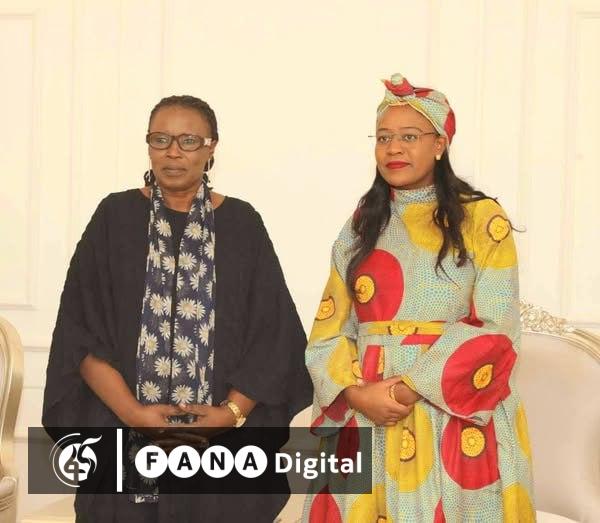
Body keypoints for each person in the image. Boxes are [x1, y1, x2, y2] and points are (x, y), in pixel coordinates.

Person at [42, 94, 312, 522]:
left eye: (188, 140)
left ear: (211, 147)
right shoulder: (114, 218)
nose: (172, 152)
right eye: (160, 139)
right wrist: (135, 415)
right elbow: (80, 332)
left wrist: (229, 415)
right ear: (148, 145)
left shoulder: (242, 224)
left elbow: (273, 334)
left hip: (221, 450)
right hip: (121, 434)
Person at [303, 74, 534, 522]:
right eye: (383, 138)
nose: (393, 148)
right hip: (367, 412)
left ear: (440, 144)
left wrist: (406, 389)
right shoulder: (361, 226)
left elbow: (496, 326)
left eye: (409, 137)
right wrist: (357, 394)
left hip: (453, 416)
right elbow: (329, 329)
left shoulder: (481, 218)